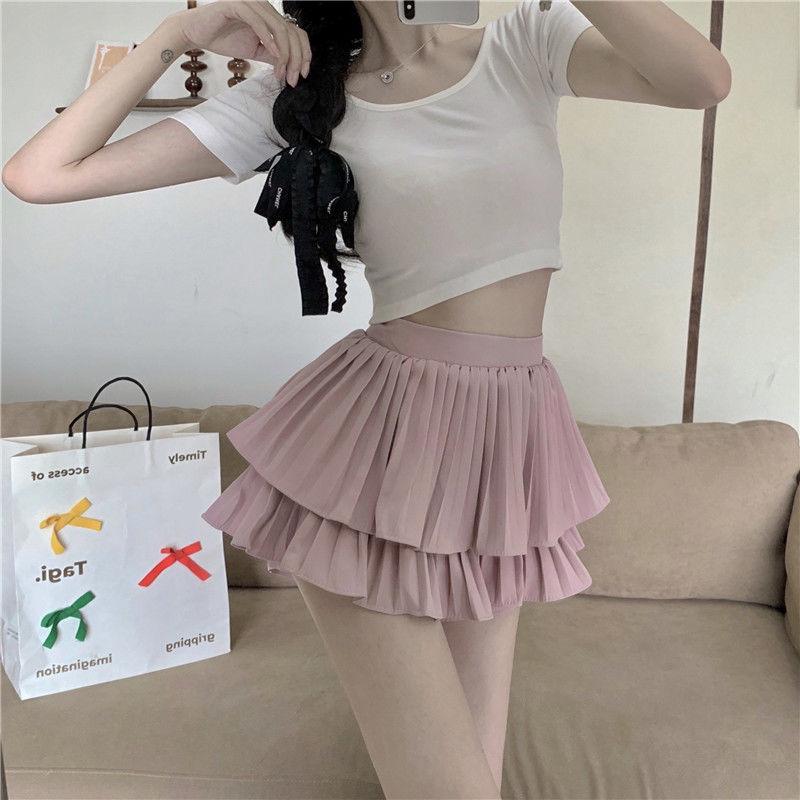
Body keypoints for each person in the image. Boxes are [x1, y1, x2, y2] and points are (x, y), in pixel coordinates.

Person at [1, 2, 731, 797]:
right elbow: (40, 175)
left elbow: (702, 81)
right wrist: (177, 36)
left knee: (474, 775)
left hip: (507, 436)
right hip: (379, 445)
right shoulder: (302, 92)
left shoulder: (527, 41)